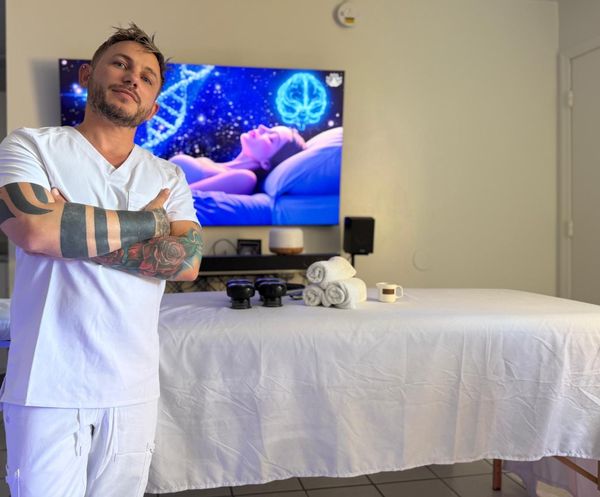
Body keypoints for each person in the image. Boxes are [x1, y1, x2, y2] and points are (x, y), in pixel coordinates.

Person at [0, 23, 202, 497]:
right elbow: (34, 230)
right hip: (46, 386)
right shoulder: (30, 146)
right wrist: (151, 223)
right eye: (121, 64)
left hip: (131, 390)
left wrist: (69, 230)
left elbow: (186, 263)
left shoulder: (168, 176)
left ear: (153, 107)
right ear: (88, 75)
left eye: (147, 77)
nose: (133, 78)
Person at [170, 124, 306, 194]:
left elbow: (178, 199)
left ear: (266, 163)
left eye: (271, 138)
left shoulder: (246, 178)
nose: (261, 128)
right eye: (269, 128)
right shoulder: (217, 165)